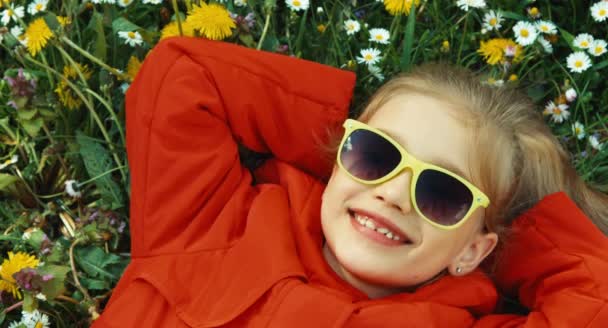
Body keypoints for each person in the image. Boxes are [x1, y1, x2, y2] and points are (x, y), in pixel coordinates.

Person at [91, 37, 608, 327]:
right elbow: (184, 74)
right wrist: (337, 152)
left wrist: (520, 222)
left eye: (441, 191)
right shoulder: (212, 222)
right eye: (377, 153)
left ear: (473, 251)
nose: (392, 193)